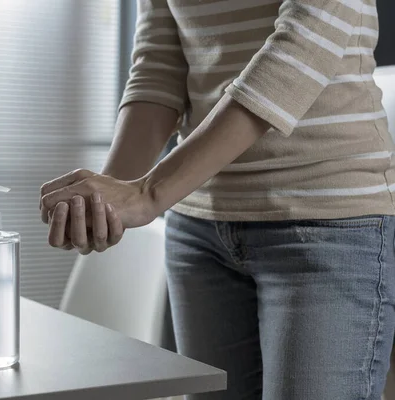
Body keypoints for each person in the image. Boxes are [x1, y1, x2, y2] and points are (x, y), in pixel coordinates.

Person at [39, 1, 395, 399]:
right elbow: (160, 64)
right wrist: (106, 200)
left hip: (322, 220)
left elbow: (299, 49)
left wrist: (148, 193)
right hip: (200, 230)